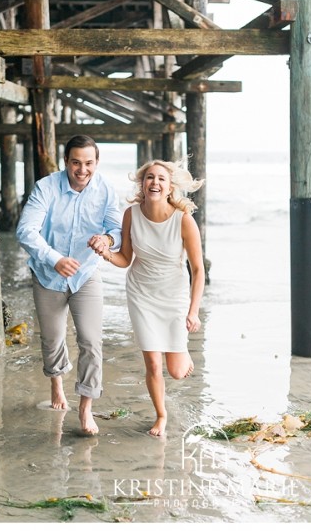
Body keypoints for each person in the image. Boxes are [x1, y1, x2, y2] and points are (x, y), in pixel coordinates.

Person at [16, 135, 122, 435]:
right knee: (52, 339)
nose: (82, 169)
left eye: (89, 163)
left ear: (97, 163)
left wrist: (108, 240)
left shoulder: (105, 191)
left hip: (86, 274)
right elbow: (26, 231)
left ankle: (86, 407)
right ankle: (57, 383)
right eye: (76, 162)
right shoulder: (46, 187)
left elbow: (117, 230)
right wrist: (54, 258)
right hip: (48, 275)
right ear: (66, 162)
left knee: (91, 340)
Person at [95, 159, 204, 437]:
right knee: (153, 363)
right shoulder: (131, 214)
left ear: (169, 188)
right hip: (141, 293)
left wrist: (193, 312)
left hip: (173, 295)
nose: (154, 182)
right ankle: (161, 415)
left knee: (177, 372)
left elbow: (198, 270)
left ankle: (181, 349)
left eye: (161, 179)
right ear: (143, 184)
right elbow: (126, 259)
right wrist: (105, 253)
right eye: (149, 178)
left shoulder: (184, 220)